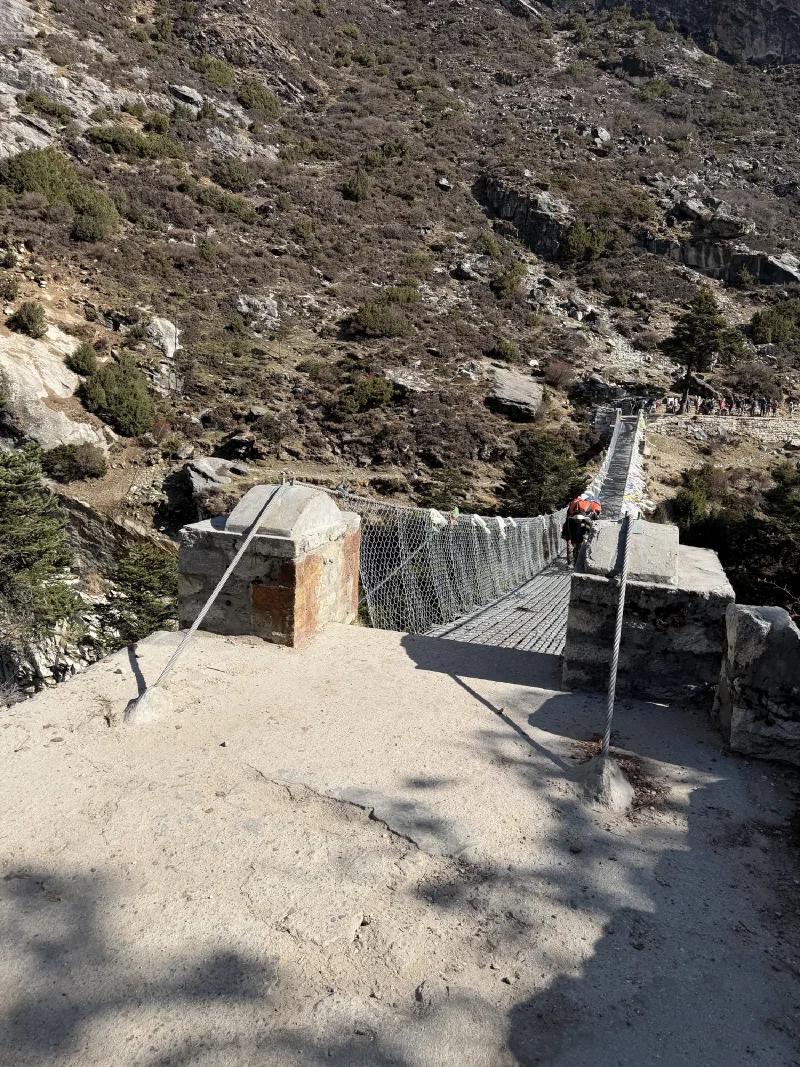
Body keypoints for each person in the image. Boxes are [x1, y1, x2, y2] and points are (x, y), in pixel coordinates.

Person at [562, 493, 602, 567]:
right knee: (572, 547)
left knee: (578, 548)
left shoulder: (588, 518)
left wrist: (585, 526)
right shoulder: (570, 520)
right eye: (576, 520)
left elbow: (593, 527)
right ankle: (572, 563)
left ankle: (575, 563)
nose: (577, 521)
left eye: (579, 520)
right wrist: (567, 537)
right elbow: (567, 528)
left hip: (582, 535)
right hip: (574, 535)